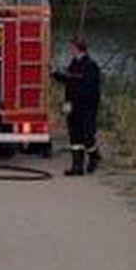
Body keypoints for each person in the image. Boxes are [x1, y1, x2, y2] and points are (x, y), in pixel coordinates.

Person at [52, 37, 103, 175]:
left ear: (79, 49)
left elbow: (86, 87)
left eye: (72, 48)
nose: (70, 50)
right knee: (74, 136)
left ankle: (94, 156)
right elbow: (69, 80)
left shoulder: (90, 66)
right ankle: (77, 166)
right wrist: (56, 75)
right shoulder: (74, 63)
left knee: (87, 136)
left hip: (87, 107)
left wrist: (72, 82)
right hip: (73, 106)